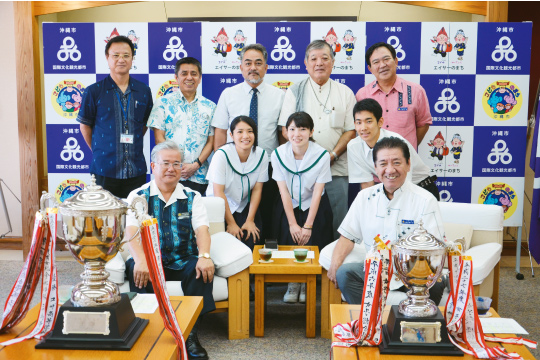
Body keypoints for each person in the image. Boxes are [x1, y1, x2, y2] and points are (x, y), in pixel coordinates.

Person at [326, 136, 446, 306]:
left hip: (413, 274)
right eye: (383, 164)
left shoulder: (425, 200)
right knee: (345, 273)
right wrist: (335, 264)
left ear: (408, 164)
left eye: (397, 162)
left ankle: (412, 326)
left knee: (435, 283)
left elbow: (436, 247)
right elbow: (348, 236)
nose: (390, 170)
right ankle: (372, 323)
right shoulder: (364, 197)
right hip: (375, 270)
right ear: (375, 167)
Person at [124, 140, 214, 360]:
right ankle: (150, 333)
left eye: (176, 163)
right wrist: (142, 260)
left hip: (183, 259)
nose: (171, 168)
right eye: (165, 163)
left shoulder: (193, 197)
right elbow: (131, 233)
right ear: (153, 167)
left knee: (201, 269)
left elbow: (202, 230)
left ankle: (190, 335)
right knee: (136, 268)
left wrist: (204, 256)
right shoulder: (138, 197)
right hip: (149, 261)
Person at [279, 39, 356, 240]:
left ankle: (335, 268)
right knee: (309, 227)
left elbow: (351, 131)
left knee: (339, 223)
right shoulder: (295, 91)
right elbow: (285, 130)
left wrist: (332, 155)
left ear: (333, 62)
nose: (319, 63)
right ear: (306, 64)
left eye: (324, 58)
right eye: (313, 59)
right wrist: (310, 156)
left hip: (336, 167)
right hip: (302, 171)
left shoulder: (345, 93)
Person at [212, 43, 285, 241]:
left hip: (268, 165)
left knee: (268, 218)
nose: (253, 67)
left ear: (266, 67)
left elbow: (282, 134)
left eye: (258, 63)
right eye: (248, 63)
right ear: (241, 67)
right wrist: (222, 162)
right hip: (234, 166)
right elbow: (220, 132)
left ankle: (266, 264)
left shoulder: (279, 95)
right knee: (234, 217)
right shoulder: (228, 94)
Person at [78, 35, 153, 199]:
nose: (121, 59)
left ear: (133, 58)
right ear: (107, 58)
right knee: (103, 220)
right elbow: (85, 125)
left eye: (126, 55)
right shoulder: (94, 91)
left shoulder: (143, 91)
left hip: (136, 169)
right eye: (116, 55)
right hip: (104, 169)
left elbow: (145, 124)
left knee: (136, 217)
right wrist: (100, 149)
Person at [272, 112, 333, 303]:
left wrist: (307, 225)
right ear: (285, 132)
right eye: (292, 129)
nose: (296, 134)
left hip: (314, 203)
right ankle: (293, 281)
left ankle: (307, 282)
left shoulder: (322, 155)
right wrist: (292, 224)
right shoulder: (277, 154)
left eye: (302, 129)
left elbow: (317, 191)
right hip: (288, 202)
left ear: (311, 131)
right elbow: (283, 190)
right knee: (289, 237)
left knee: (312, 239)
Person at [147, 57, 215, 195]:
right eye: (184, 73)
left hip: (199, 176)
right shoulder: (163, 103)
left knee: (198, 215)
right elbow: (159, 138)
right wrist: (175, 165)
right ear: (176, 77)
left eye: (194, 74)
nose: (189, 77)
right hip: (169, 174)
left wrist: (196, 165)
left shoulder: (210, 106)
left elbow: (211, 141)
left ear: (200, 78)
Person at [348, 98, 439, 200]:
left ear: (380, 122)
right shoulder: (353, 146)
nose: (363, 128)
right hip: (392, 191)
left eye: (368, 121)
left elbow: (403, 184)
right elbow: (366, 184)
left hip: (421, 189)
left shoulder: (397, 143)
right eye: (359, 122)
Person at [206, 116, 269, 250]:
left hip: (244, 205)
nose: (245, 136)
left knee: (252, 236)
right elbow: (218, 192)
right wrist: (231, 223)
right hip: (219, 207)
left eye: (250, 131)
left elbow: (258, 189)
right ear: (231, 135)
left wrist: (250, 220)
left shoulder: (262, 154)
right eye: (240, 132)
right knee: (225, 246)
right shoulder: (221, 155)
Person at [356, 42, 432, 150]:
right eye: (376, 62)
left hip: (405, 161)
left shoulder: (416, 91)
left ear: (396, 61)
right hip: (373, 161)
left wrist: (407, 147)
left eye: (386, 59)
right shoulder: (362, 94)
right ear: (370, 68)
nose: (382, 65)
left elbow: (423, 124)